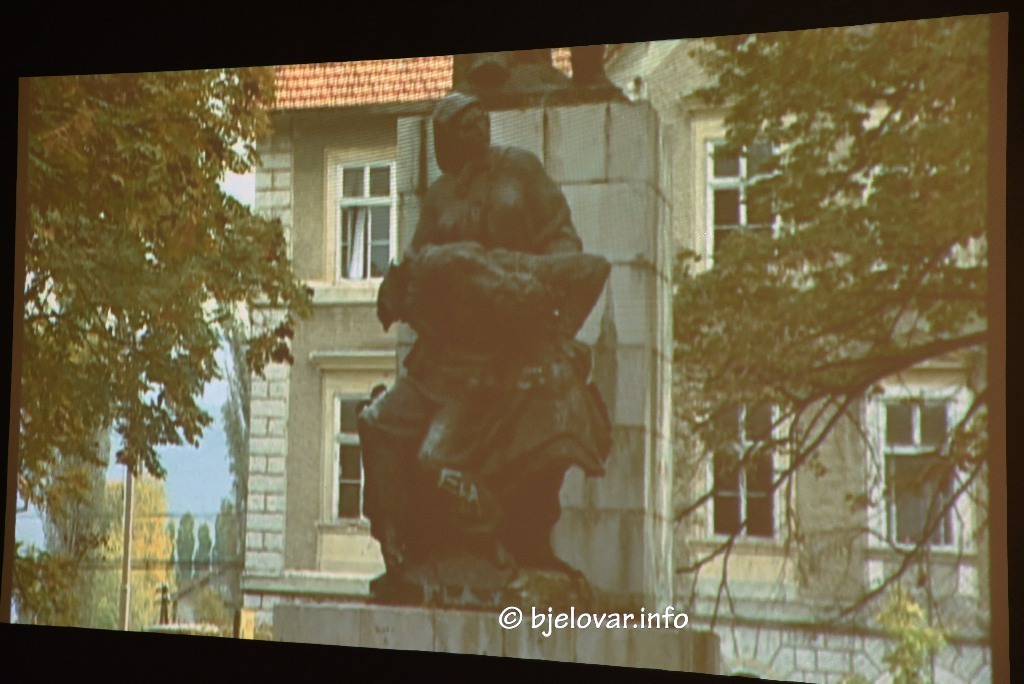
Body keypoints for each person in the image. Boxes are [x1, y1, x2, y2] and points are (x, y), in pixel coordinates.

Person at [358, 92, 611, 600]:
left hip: (504, 355)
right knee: (377, 424)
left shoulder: (521, 171)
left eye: (478, 121)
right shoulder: (440, 196)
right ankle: (402, 554)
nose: (475, 130)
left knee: (436, 460)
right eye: (461, 127)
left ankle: (486, 544)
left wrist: (536, 292)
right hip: (444, 360)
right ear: (444, 142)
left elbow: (565, 246)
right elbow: (415, 264)